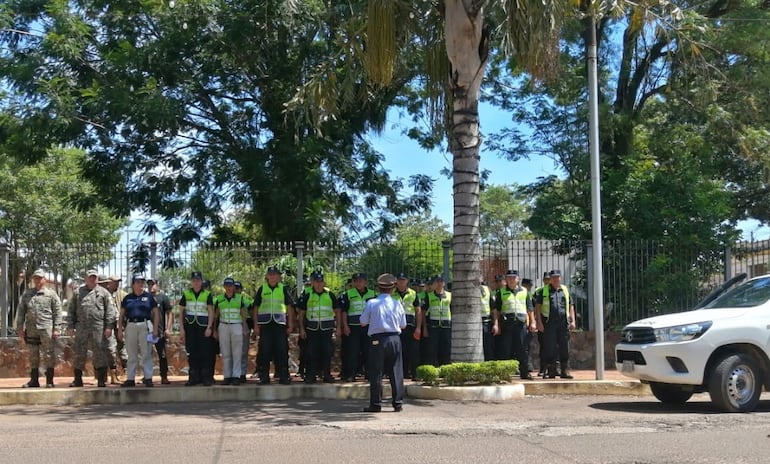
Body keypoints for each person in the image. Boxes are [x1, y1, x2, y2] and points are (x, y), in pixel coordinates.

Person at [360, 273, 406, 413]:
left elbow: (363, 322)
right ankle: (397, 403)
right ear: (393, 289)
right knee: (396, 371)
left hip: (377, 340)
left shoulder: (372, 303)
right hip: (394, 339)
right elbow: (403, 325)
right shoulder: (397, 303)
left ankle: (376, 404)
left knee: (376, 372)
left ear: (378, 289)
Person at [67, 269, 117, 388]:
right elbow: (71, 310)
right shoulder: (78, 292)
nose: (92, 279)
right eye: (90, 277)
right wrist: (70, 326)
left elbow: (110, 311)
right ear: (86, 278)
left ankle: (101, 380)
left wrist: (109, 326)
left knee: (100, 353)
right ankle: (78, 379)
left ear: (97, 279)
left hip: (98, 327)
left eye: (94, 277)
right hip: (81, 327)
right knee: (79, 353)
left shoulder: (104, 293)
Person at [16, 269, 62, 388]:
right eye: (35, 278)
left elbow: (57, 312)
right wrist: (20, 327)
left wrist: (56, 328)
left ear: (44, 280)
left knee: (48, 354)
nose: (37, 280)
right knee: (33, 355)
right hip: (31, 329)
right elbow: (21, 311)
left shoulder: (51, 294)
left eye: (40, 278)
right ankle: (34, 380)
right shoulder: (27, 294)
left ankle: (49, 381)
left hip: (46, 329)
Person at [252, 266, 295, 385]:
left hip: (280, 324)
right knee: (264, 351)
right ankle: (264, 377)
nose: (273, 276)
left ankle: (284, 376)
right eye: (270, 274)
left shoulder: (283, 289)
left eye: (275, 274)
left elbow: (289, 307)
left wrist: (290, 324)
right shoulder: (262, 289)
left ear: (279, 277)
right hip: (265, 325)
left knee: (282, 350)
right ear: (267, 276)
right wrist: (256, 325)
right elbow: (255, 308)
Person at [295, 271, 339, 384]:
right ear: (312, 283)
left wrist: (338, 327)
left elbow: (337, 311)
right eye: (316, 282)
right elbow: (301, 313)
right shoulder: (308, 294)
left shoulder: (330, 294)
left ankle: (327, 375)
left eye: (321, 282)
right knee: (311, 353)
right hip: (312, 328)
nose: (319, 284)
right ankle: (311, 376)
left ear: (323, 282)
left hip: (327, 328)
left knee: (327, 352)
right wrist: (301, 329)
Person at [117, 274, 160, 387]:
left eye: (142, 282)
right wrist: (120, 330)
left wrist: (155, 329)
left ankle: (148, 378)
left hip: (145, 324)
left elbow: (156, 313)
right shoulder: (127, 298)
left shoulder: (149, 297)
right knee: (131, 354)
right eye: (138, 282)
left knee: (146, 353)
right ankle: (130, 379)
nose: (141, 284)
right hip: (130, 324)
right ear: (133, 284)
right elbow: (121, 315)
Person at [492, 270, 535, 380]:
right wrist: (496, 324)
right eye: (509, 278)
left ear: (518, 279)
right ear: (506, 279)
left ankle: (524, 372)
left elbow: (530, 309)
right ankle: (504, 374)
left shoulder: (524, 291)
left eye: (513, 278)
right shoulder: (501, 292)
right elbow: (496, 310)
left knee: (522, 349)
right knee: (505, 350)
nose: (511, 280)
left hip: (521, 324)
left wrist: (533, 322)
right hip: (507, 324)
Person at [535, 269, 576, 379]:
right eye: (553, 277)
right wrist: (538, 322)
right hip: (549, 323)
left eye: (557, 277)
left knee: (564, 347)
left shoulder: (565, 290)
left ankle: (565, 371)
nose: (555, 279)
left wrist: (573, 320)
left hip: (563, 323)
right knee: (550, 347)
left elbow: (571, 305)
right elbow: (537, 308)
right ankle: (551, 371)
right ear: (550, 279)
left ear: (560, 278)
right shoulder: (543, 291)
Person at [178, 271, 215, 386]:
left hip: (203, 327)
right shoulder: (186, 293)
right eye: (194, 280)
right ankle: (193, 377)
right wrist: (182, 329)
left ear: (201, 281)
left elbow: (211, 312)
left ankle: (206, 378)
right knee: (192, 352)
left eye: (198, 280)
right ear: (191, 282)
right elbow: (180, 312)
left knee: (205, 353)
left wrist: (209, 327)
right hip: (190, 327)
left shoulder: (207, 294)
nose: (196, 282)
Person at [338, 272, 376, 382]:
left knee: (368, 351)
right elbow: (344, 311)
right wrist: (345, 326)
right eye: (356, 281)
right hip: (352, 327)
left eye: (361, 280)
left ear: (365, 282)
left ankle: (369, 374)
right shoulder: (348, 294)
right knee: (352, 352)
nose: (358, 283)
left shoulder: (373, 294)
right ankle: (351, 374)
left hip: (368, 327)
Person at [214, 277, 248, 385]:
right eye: (227, 285)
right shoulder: (219, 299)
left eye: (230, 286)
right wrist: (215, 329)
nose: (229, 288)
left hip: (236, 325)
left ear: (233, 287)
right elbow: (216, 315)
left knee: (237, 352)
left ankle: (236, 376)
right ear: (224, 287)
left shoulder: (239, 298)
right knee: (225, 352)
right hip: (223, 325)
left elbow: (243, 314)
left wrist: (244, 327)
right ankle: (227, 376)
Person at [393, 273, 421, 380]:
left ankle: (414, 373)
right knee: (398, 351)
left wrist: (418, 328)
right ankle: (400, 374)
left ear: (407, 281)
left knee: (413, 351)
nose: (401, 282)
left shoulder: (413, 294)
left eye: (403, 280)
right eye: (399, 280)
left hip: (410, 326)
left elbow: (418, 312)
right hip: (396, 326)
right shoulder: (392, 294)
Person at [147, 277, 173, 384]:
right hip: (147, 330)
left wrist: (168, 328)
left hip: (160, 331)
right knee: (147, 355)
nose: (150, 286)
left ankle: (164, 376)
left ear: (157, 285)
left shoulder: (163, 297)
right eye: (149, 284)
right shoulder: (145, 297)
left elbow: (169, 313)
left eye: (152, 284)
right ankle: (147, 377)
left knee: (162, 354)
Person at [422, 275, 452, 367]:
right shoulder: (429, 296)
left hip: (446, 327)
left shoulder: (450, 296)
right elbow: (423, 312)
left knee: (446, 350)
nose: (439, 283)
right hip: (433, 327)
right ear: (434, 284)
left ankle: (445, 370)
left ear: (444, 283)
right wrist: (425, 328)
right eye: (437, 282)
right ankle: (433, 370)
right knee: (432, 350)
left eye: (441, 281)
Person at [104, 275, 128, 384]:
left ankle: (125, 372)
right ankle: (113, 375)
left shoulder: (123, 295)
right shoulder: (104, 294)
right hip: (108, 325)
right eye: (115, 281)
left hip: (120, 325)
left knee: (122, 348)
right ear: (109, 282)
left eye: (118, 281)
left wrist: (123, 324)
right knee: (110, 349)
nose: (117, 283)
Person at [234, 281, 253, 383]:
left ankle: (242, 373)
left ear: (241, 290)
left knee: (243, 351)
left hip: (244, 327)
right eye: (234, 288)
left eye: (238, 288)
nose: (236, 290)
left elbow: (251, 315)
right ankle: (234, 374)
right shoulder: (227, 300)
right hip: (232, 327)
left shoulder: (247, 302)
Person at [479, 276, 495, 361]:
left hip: (486, 321)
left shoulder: (487, 289)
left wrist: (495, 324)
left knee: (488, 346)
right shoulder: (468, 289)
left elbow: (493, 308)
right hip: (473, 323)